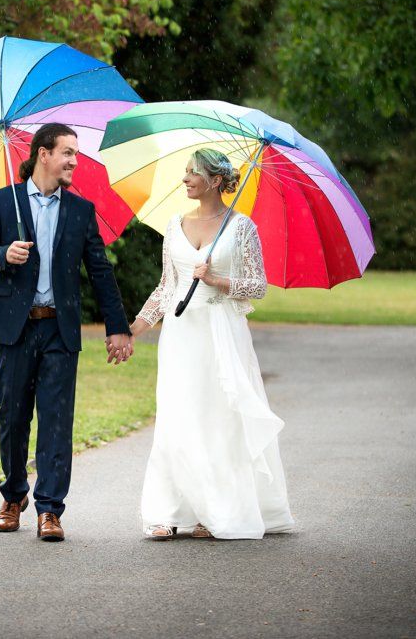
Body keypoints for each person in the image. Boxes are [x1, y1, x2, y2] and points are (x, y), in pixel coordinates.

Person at [0, 122, 134, 542]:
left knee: (57, 421)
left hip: (60, 330)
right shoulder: (2, 201)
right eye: (68, 153)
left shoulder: (80, 210)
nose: (74, 162)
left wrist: (118, 327)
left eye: (75, 154)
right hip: (14, 329)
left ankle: (49, 509)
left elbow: (100, 271)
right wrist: (4, 254)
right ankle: (13, 495)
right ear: (43, 154)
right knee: (12, 416)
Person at [130, 148, 295, 540]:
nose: (185, 178)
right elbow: (166, 287)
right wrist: (134, 327)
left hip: (221, 331)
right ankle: (167, 511)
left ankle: (213, 510)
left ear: (216, 180)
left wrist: (216, 279)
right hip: (180, 334)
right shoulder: (174, 225)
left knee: (217, 420)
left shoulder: (241, 228)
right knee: (176, 416)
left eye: (193, 172)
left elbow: (258, 285)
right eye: (185, 171)